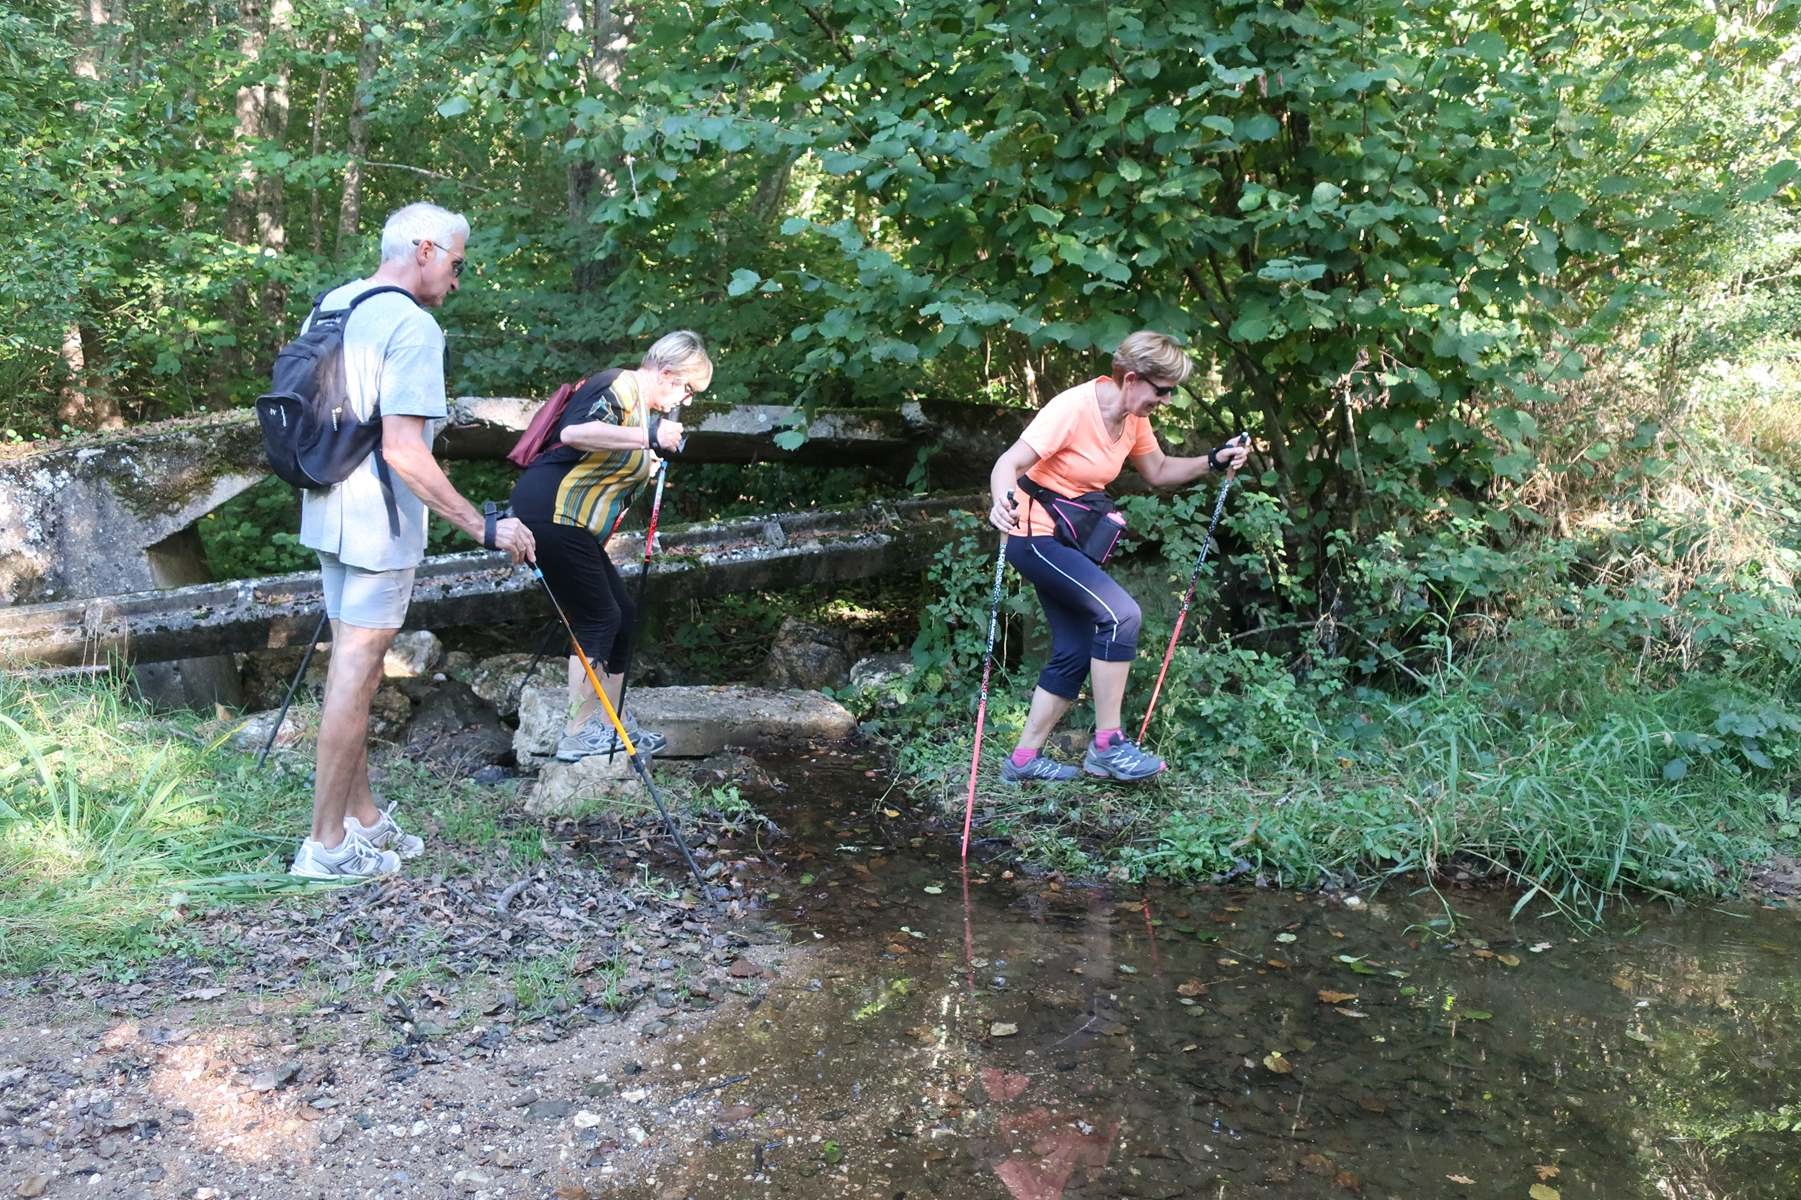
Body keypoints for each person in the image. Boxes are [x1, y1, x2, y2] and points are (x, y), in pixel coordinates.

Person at [290, 202, 536, 879]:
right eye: (456, 265)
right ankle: (325, 846)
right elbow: (404, 450)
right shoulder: (412, 324)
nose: (456, 281)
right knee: (353, 673)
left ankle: (362, 820)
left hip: (325, 507)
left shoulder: (332, 305)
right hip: (377, 524)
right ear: (425, 250)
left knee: (359, 670)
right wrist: (482, 525)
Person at [985, 331, 1250, 783]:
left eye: (1171, 392)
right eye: (1162, 390)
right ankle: (1108, 744)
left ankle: (1023, 762)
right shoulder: (1073, 408)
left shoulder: (1132, 418)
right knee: (1121, 615)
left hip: (1068, 538)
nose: (1166, 400)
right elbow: (1007, 464)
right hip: (1033, 535)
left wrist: (1213, 460)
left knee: (1073, 648)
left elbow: (1159, 470)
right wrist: (1002, 502)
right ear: (1131, 379)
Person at [508, 331, 711, 761]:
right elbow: (576, 431)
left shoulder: (637, 410)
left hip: (570, 522)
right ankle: (579, 731)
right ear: (668, 373)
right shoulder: (619, 384)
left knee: (625, 615)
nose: (687, 400)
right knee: (599, 616)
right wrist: (650, 436)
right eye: (688, 389)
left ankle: (609, 720)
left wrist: (647, 448)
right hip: (551, 512)